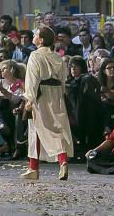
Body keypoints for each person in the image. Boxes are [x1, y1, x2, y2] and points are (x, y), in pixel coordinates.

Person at [21, 26, 73, 181]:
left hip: (41, 94)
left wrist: (29, 99)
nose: (34, 36)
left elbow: (32, 78)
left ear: (41, 39)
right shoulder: (58, 57)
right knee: (55, 127)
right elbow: (63, 78)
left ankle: (38, 167)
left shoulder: (35, 56)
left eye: (36, 34)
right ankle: (41, 165)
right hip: (56, 94)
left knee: (40, 128)